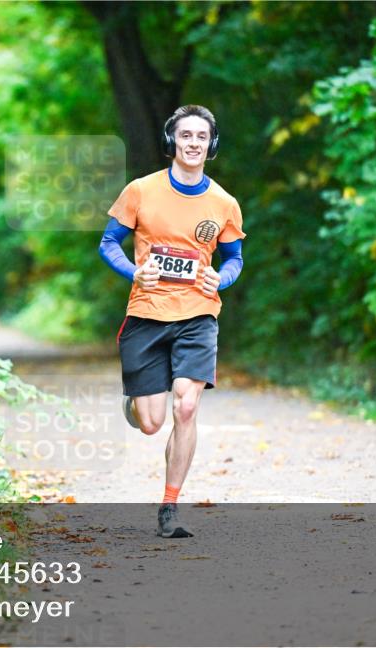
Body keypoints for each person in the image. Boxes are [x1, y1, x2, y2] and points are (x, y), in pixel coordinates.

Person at [98, 104, 245, 538]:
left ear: (211, 144)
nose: (193, 143)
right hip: (147, 312)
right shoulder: (141, 190)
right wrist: (133, 272)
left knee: (187, 405)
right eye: (186, 135)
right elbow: (109, 243)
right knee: (151, 423)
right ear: (172, 141)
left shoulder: (224, 203)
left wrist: (222, 278)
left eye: (201, 136)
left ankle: (169, 506)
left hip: (198, 312)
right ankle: (137, 403)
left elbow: (234, 259)